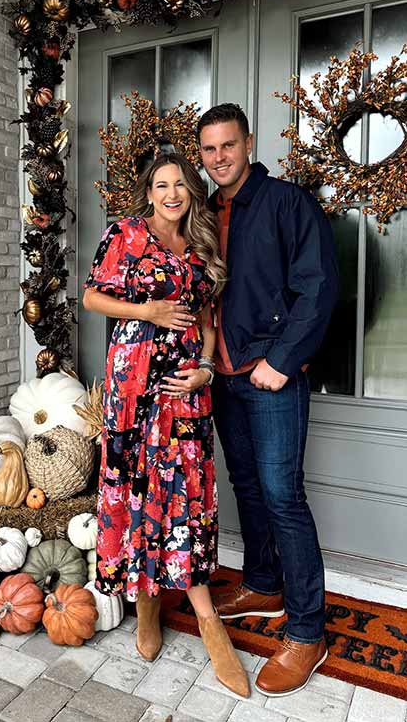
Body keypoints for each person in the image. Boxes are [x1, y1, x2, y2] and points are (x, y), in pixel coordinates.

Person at [82, 153, 250, 698]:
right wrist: (148, 312)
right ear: (148, 192)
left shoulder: (201, 248)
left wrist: (204, 369)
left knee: (186, 492)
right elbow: (90, 297)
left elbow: (205, 321)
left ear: (190, 191)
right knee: (138, 490)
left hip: (185, 392)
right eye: (162, 184)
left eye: (180, 183)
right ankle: (147, 600)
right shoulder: (126, 234)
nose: (172, 192)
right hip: (132, 387)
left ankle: (205, 618)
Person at [197, 103, 339, 697]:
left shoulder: (287, 202)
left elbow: (320, 285)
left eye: (229, 145)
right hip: (225, 377)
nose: (219, 157)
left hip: (270, 374)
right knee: (248, 487)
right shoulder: (202, 212)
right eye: (208, 149)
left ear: (248, 143)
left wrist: (282, 362)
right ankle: (262, 583)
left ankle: (307, 631)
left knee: (283, 495)